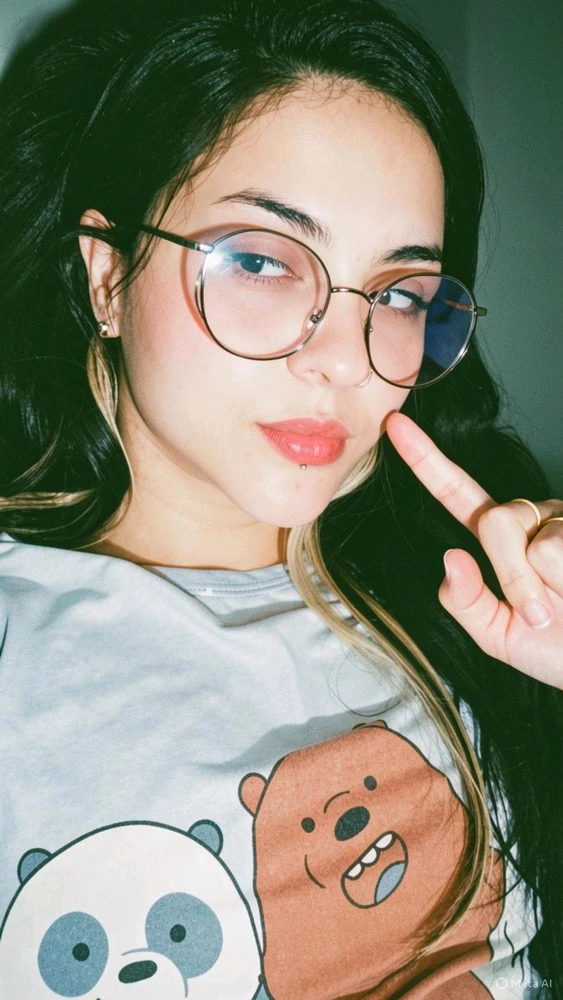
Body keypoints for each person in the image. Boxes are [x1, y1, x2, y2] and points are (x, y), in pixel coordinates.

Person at [0, 0, 561, 996]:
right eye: (259, 261)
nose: (345, 358)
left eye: (398, 294)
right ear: (107, 277)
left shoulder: (474, 599)